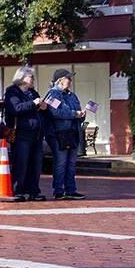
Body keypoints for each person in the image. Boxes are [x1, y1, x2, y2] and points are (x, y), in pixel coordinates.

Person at [3, 66, 47, 201]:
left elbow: (38, 108)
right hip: (22, 134)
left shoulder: (33, 92)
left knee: (35, 164)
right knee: (21, 163)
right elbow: (16, 108)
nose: (33, 80)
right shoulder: (12, 92)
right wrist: (33, 104)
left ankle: (34, 190)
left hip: (37, 134)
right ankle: (17, 190)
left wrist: (43, 107)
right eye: (30, 77)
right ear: (21, 78)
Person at [45, 69, 87, 200]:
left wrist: (81, 115)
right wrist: (74, 114)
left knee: (71, 163)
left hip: (72, 133)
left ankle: (71, 190)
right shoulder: (52, 95)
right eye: (68, 78)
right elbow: (55, 112)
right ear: (60, 80)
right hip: (58, 134)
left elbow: (77, 112)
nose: (70, 81)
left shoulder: (72, 96)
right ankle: (58, 191)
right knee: (61, 162)